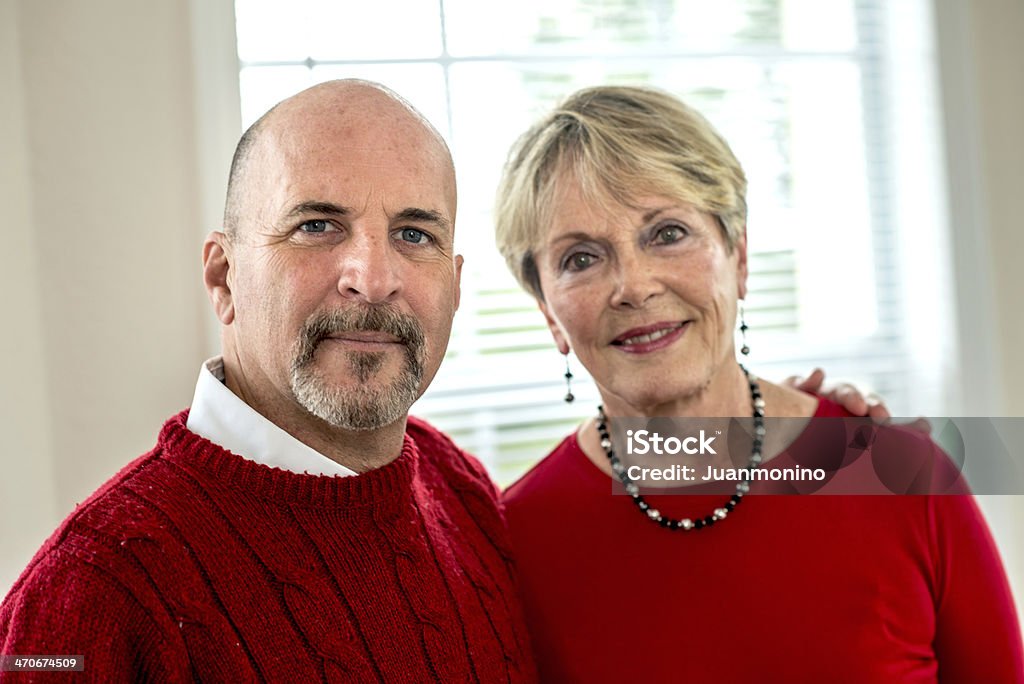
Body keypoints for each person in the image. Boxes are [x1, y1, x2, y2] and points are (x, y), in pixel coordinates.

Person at [0, 80, 535, 681]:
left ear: (456, 286)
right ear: (224, 278)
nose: (375, 277)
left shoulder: (458, 487)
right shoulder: (88, 595)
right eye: (317, 225)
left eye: (415, 235)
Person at [494, 85, 1024, 681]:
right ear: (547, 311)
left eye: (667, 233)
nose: (634, 286)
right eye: (581, 258)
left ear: (738, 257)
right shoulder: (516, 543)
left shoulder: (901, 478)